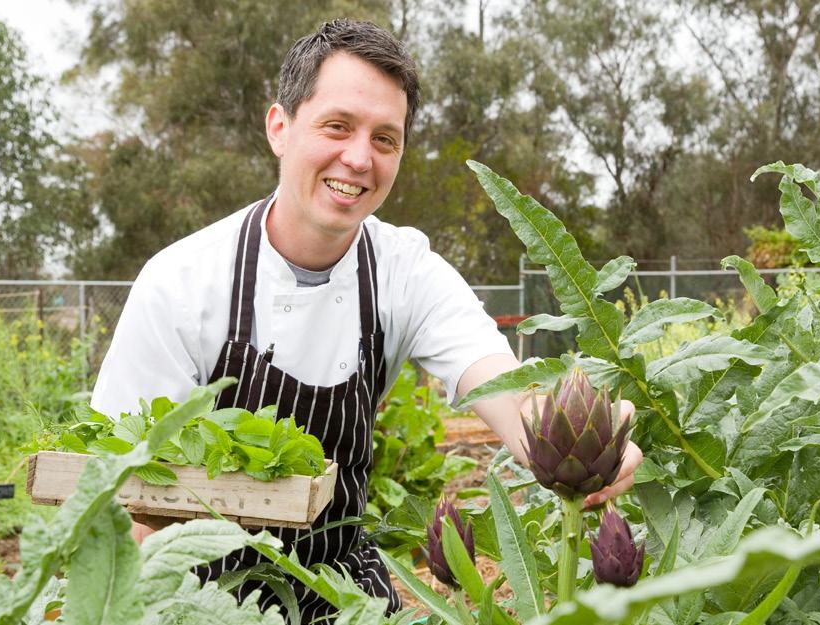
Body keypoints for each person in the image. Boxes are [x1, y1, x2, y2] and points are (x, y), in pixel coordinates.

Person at [91, 18, 641, 623]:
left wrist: (579, 435)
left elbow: (501, 385)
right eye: (337, 126)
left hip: (343, 595)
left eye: (385, 139)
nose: (358, 158)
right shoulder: (182, 282)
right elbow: (124, 495)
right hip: (203, 601)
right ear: (279, 127)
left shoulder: (404, 270)